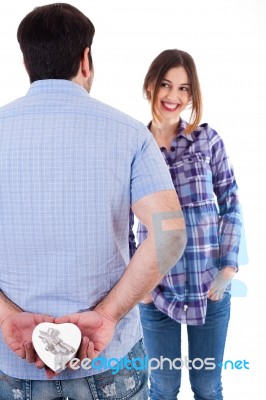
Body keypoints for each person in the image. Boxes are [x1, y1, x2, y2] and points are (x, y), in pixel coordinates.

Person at [0, 5, 187, 400]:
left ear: (25, 62)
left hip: (13, 366)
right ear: (86, 58)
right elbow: (170, 233)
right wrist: (106, 315)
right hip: (107, 362)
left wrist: (7, 316)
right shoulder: (130, 133)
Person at [131, 49, 242, 400]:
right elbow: (115, 219)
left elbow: (231, 201)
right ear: (150, 85)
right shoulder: (134, 144)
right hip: (156, 289)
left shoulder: (207, 140)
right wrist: (140, 287)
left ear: (192, 94)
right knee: (163, 387)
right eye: (166, 85)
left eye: (184, 88)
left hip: (209, 286)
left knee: (207, 386)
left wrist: (228, 266)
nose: (174, 97)